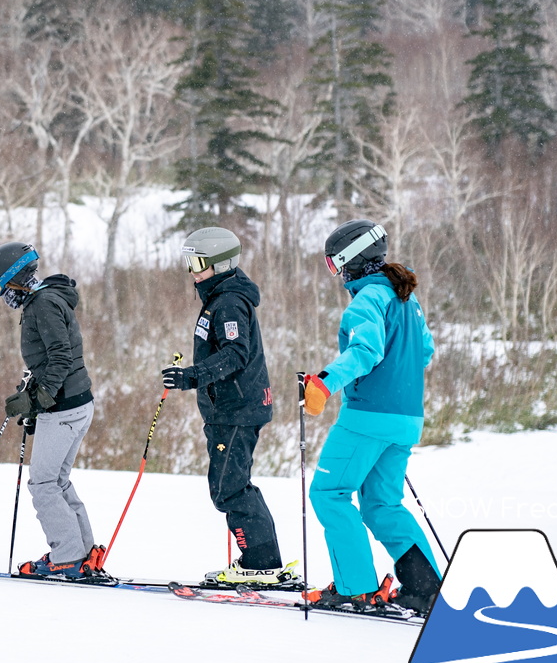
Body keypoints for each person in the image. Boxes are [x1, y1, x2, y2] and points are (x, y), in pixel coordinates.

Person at [300, 219, 443, 614]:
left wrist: (324, 382)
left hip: (367, 417)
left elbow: (365, 351)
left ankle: (355, 587)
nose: (336, 273)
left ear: (350, 259)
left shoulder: (366, 300)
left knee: (329, 493)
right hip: (407, 419)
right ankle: (425, 588)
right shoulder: (406, 301)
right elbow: (425, 352)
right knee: (381, 504)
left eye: (334, 264)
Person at [160, 227, 289, 585]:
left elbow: (235, 354)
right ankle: (261, 560)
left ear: (220, 264)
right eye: (189, 262)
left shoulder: (229, 301)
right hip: (229, 408)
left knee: (228, 487)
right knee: (229, 484)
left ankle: (260, 563)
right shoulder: (220, 297)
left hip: (237, 408)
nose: (192, 272)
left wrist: (191, 376)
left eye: (198, 263)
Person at [0, 241, 107, 581]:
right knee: (58, 481)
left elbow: (61, 356)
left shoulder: (43, 304)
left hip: (65, 408)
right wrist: (35, 396)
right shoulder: (46, 300)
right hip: (75, 404)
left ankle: (67, 557)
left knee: (44, 484)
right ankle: (81, 553)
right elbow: (53, 359)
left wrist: (40, 399)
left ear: (14, 277)